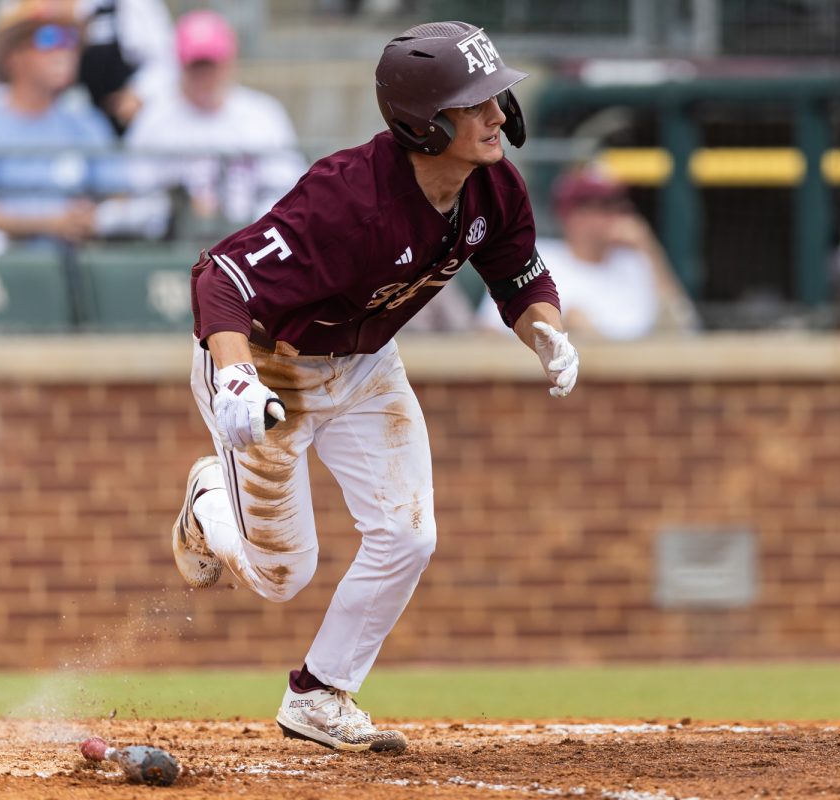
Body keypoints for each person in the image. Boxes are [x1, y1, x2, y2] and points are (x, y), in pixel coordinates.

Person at [172, 21, 578, 752]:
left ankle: (321, 695)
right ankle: (209, 500)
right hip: (272, 365)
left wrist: (545, 329)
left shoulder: (494, 184)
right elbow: (221, 277)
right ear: (424, 123)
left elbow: (518, 273)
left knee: (408, 534)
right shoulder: (347, 197)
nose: (496, 113)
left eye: (495, 98)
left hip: (364, 363)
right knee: (281, 576)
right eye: (475, 102)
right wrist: (232, 375)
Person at [0, 0, 127, 251]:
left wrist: (95, 218)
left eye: (71, 39)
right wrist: (46, 224)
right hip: (7, 273)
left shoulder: (87, 123)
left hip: (79, 270)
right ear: (12, 56)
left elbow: (121, 196)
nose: (65, 50)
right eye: (48, 38)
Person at [125, 9, 306, 230]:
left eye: (211, 65)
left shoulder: (263, 114)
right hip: (174, 242)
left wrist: (250, 223)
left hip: (251, 241)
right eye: (197, 66)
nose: (205, 76)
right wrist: (179, 209)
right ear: (181, 66)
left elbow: (288, 189)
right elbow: (134, 194)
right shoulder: (154, 118)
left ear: (229, 63)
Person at [478, 166, 698, 339]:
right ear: (571, 215)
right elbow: (488, 335)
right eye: (601, 205)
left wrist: (650, 249)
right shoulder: (532, 258)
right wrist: (554, 332)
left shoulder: (636, 261)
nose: (615, 213)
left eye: (617, 202)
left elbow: (685, 331)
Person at [75, 0, 178, 134]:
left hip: (130, 120)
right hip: (84, 113)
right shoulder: (83, 6)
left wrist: (138, 93)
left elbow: (165, 61)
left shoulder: (139, 6)